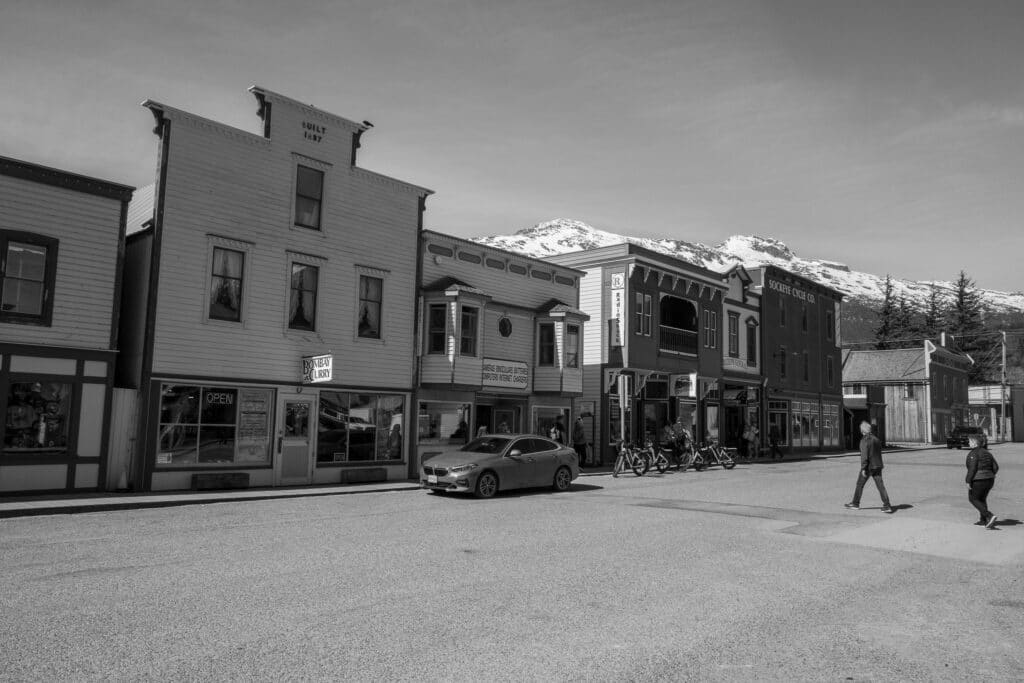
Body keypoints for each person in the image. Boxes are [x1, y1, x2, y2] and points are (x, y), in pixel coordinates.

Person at [845, 421, 893, 513]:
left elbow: (864, 455)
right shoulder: (876, 439)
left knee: (860, 484)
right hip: (878, 465)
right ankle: (887, 505)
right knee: (880, 486)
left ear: (862, 431)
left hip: (869, 466)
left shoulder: (864, 440)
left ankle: (855, 503)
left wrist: (863, 468)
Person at [965, 433, 999, 528]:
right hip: (990, 480)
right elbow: (996, 467)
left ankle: (989, 515)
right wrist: (991, 474)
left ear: (975, 443)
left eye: (970, 441)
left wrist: (968, 481)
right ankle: (983, 520)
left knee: (973, 498)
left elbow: (972, 469)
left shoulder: (973, 453)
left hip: (979, 480)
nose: (968, 443)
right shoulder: (987, 453)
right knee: (981, 499)